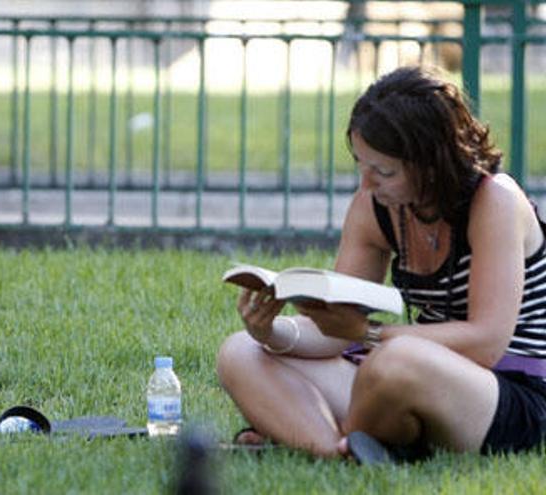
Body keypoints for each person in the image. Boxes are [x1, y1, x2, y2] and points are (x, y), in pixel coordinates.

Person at [217, 66, 546, 459]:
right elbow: (338, 329)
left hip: (509, 389)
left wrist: (367, 333)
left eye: (383, 171)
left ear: (431, 163)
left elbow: (486, 342)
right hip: (410, 374)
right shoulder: (376, 208)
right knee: (240, 352)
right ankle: (339, 452)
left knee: (394, 362)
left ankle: (329, 435)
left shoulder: (495, 201)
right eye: (361, 165)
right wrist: (272, 332)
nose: (366, 185)